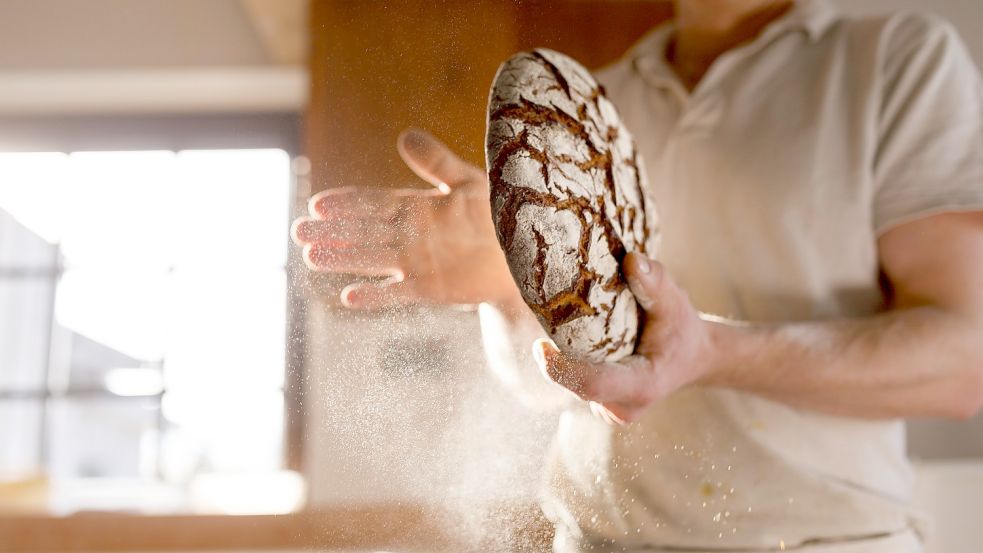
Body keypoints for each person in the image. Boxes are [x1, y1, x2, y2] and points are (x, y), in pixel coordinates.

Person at [291, 0, 983, 551]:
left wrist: (710, 353)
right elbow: (551, 387)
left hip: (820, 542)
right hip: (593, 540)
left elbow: (962, 364)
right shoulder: (590, 104)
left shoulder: (893, 61)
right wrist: (508, 286)